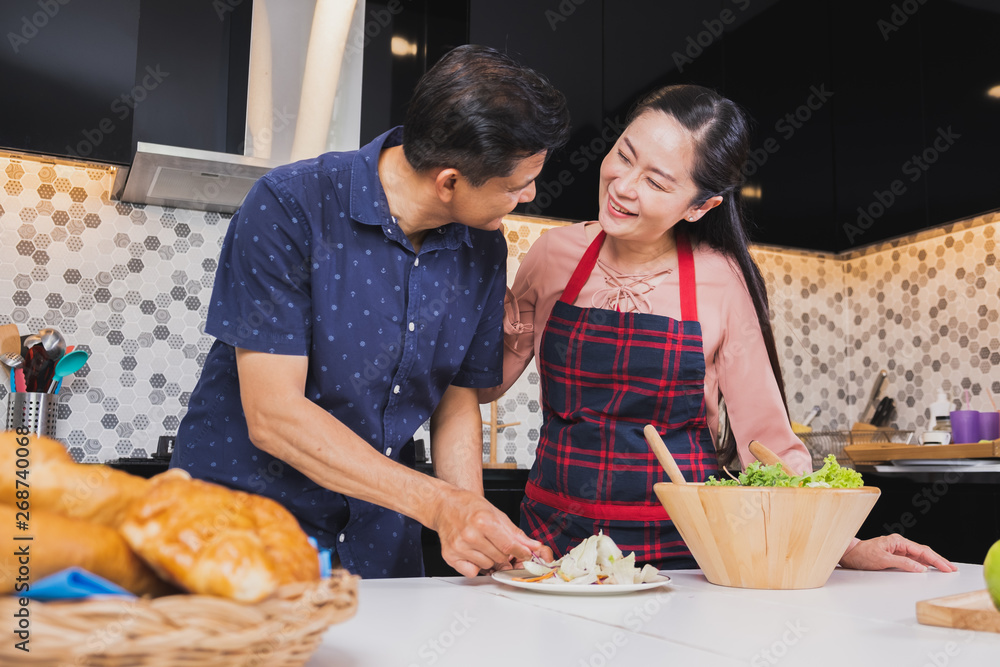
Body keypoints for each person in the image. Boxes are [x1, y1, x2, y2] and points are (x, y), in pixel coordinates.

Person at [481, 84, 954, 574]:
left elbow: (765, 441)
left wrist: (845, 544)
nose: (623, 186)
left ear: (699, 207)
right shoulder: (552, 256)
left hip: (679, 554)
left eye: (658, 183)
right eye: (624, 155)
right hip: (551, 546)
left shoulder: (722, 280)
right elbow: (487, 383)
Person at [172, 44, 572, 579]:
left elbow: (455, 400)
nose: (529, 195)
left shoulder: (483, 247)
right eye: (516, 185)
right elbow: (273, 415)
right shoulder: (291, 205)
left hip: (379, 548)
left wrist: (477, 529)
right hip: (240, 538)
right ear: (449, 181)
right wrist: (439, 506)